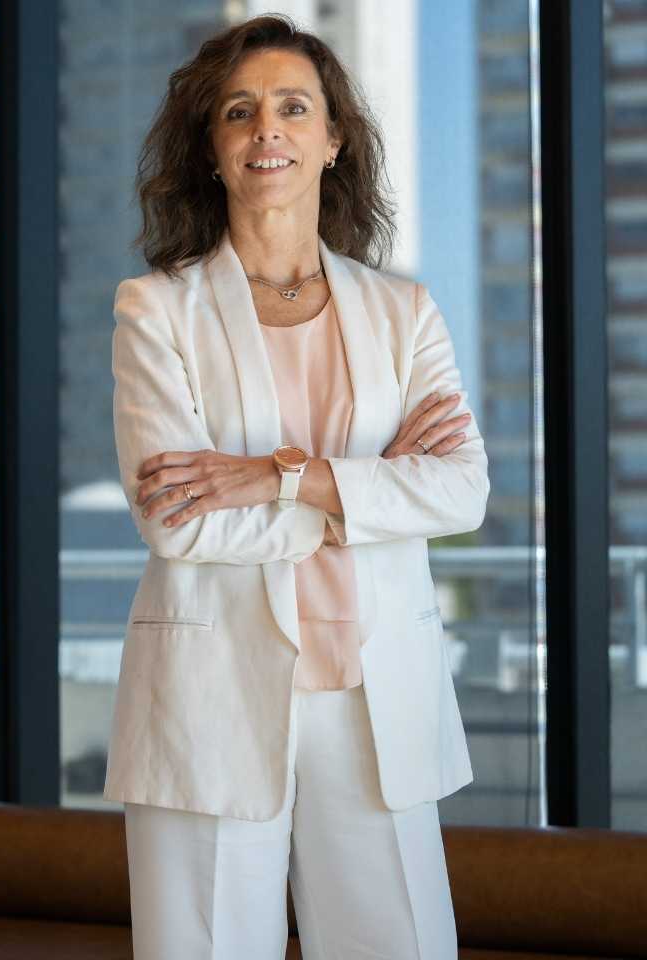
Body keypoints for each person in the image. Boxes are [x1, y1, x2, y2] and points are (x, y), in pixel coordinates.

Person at [103, 12, 490, 959]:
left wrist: (278, 478)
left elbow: (461, 492)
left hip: (376, 701)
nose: (266, 129)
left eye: (292, 107)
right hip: (211, 697)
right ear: (212, 149)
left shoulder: (403, 311)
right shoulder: (156, 310)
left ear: (333, 138)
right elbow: (178, 522)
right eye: (239, 112)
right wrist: (363, 498)